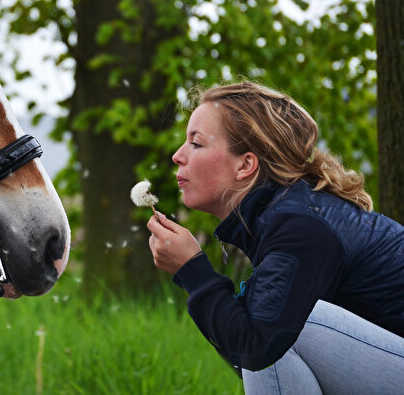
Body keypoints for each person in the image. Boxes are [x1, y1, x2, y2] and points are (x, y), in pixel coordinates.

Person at [146, 81, 404, 394]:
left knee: (286, 329)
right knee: (274, 326)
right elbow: (245, 355)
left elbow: (258, 347)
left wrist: (193, 270)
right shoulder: (285, 218)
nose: (177, 155)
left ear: (245, 165)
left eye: (196, 143)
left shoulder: (301, 228)